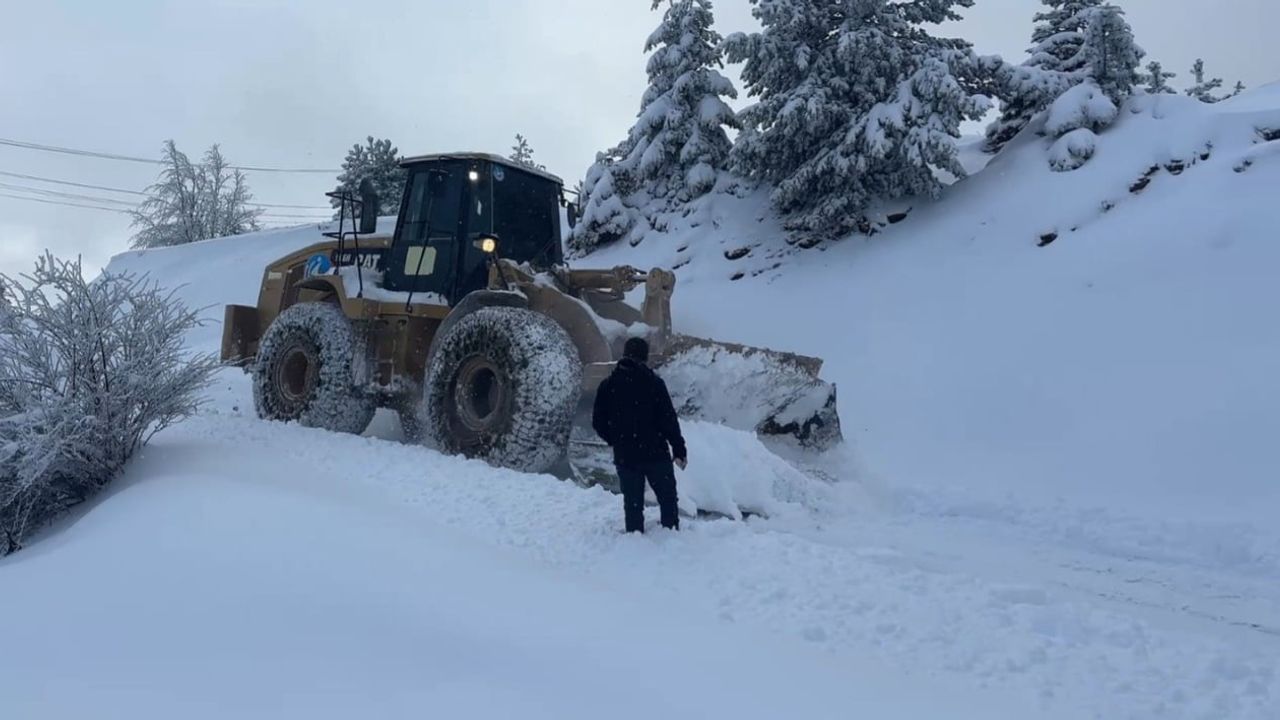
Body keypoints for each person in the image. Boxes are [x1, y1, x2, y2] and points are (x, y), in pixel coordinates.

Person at [592, 337, 687, 533]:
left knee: (633, 504)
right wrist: (679, 449)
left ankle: (635, 539)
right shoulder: (655, 384)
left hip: (626, 456)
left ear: (624, 355)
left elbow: (598, 422)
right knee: (667, 499)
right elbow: (669, 421)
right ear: (645, 357)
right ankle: (671, 535)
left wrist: (616, 439)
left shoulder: (607, 385)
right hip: (656, 454)